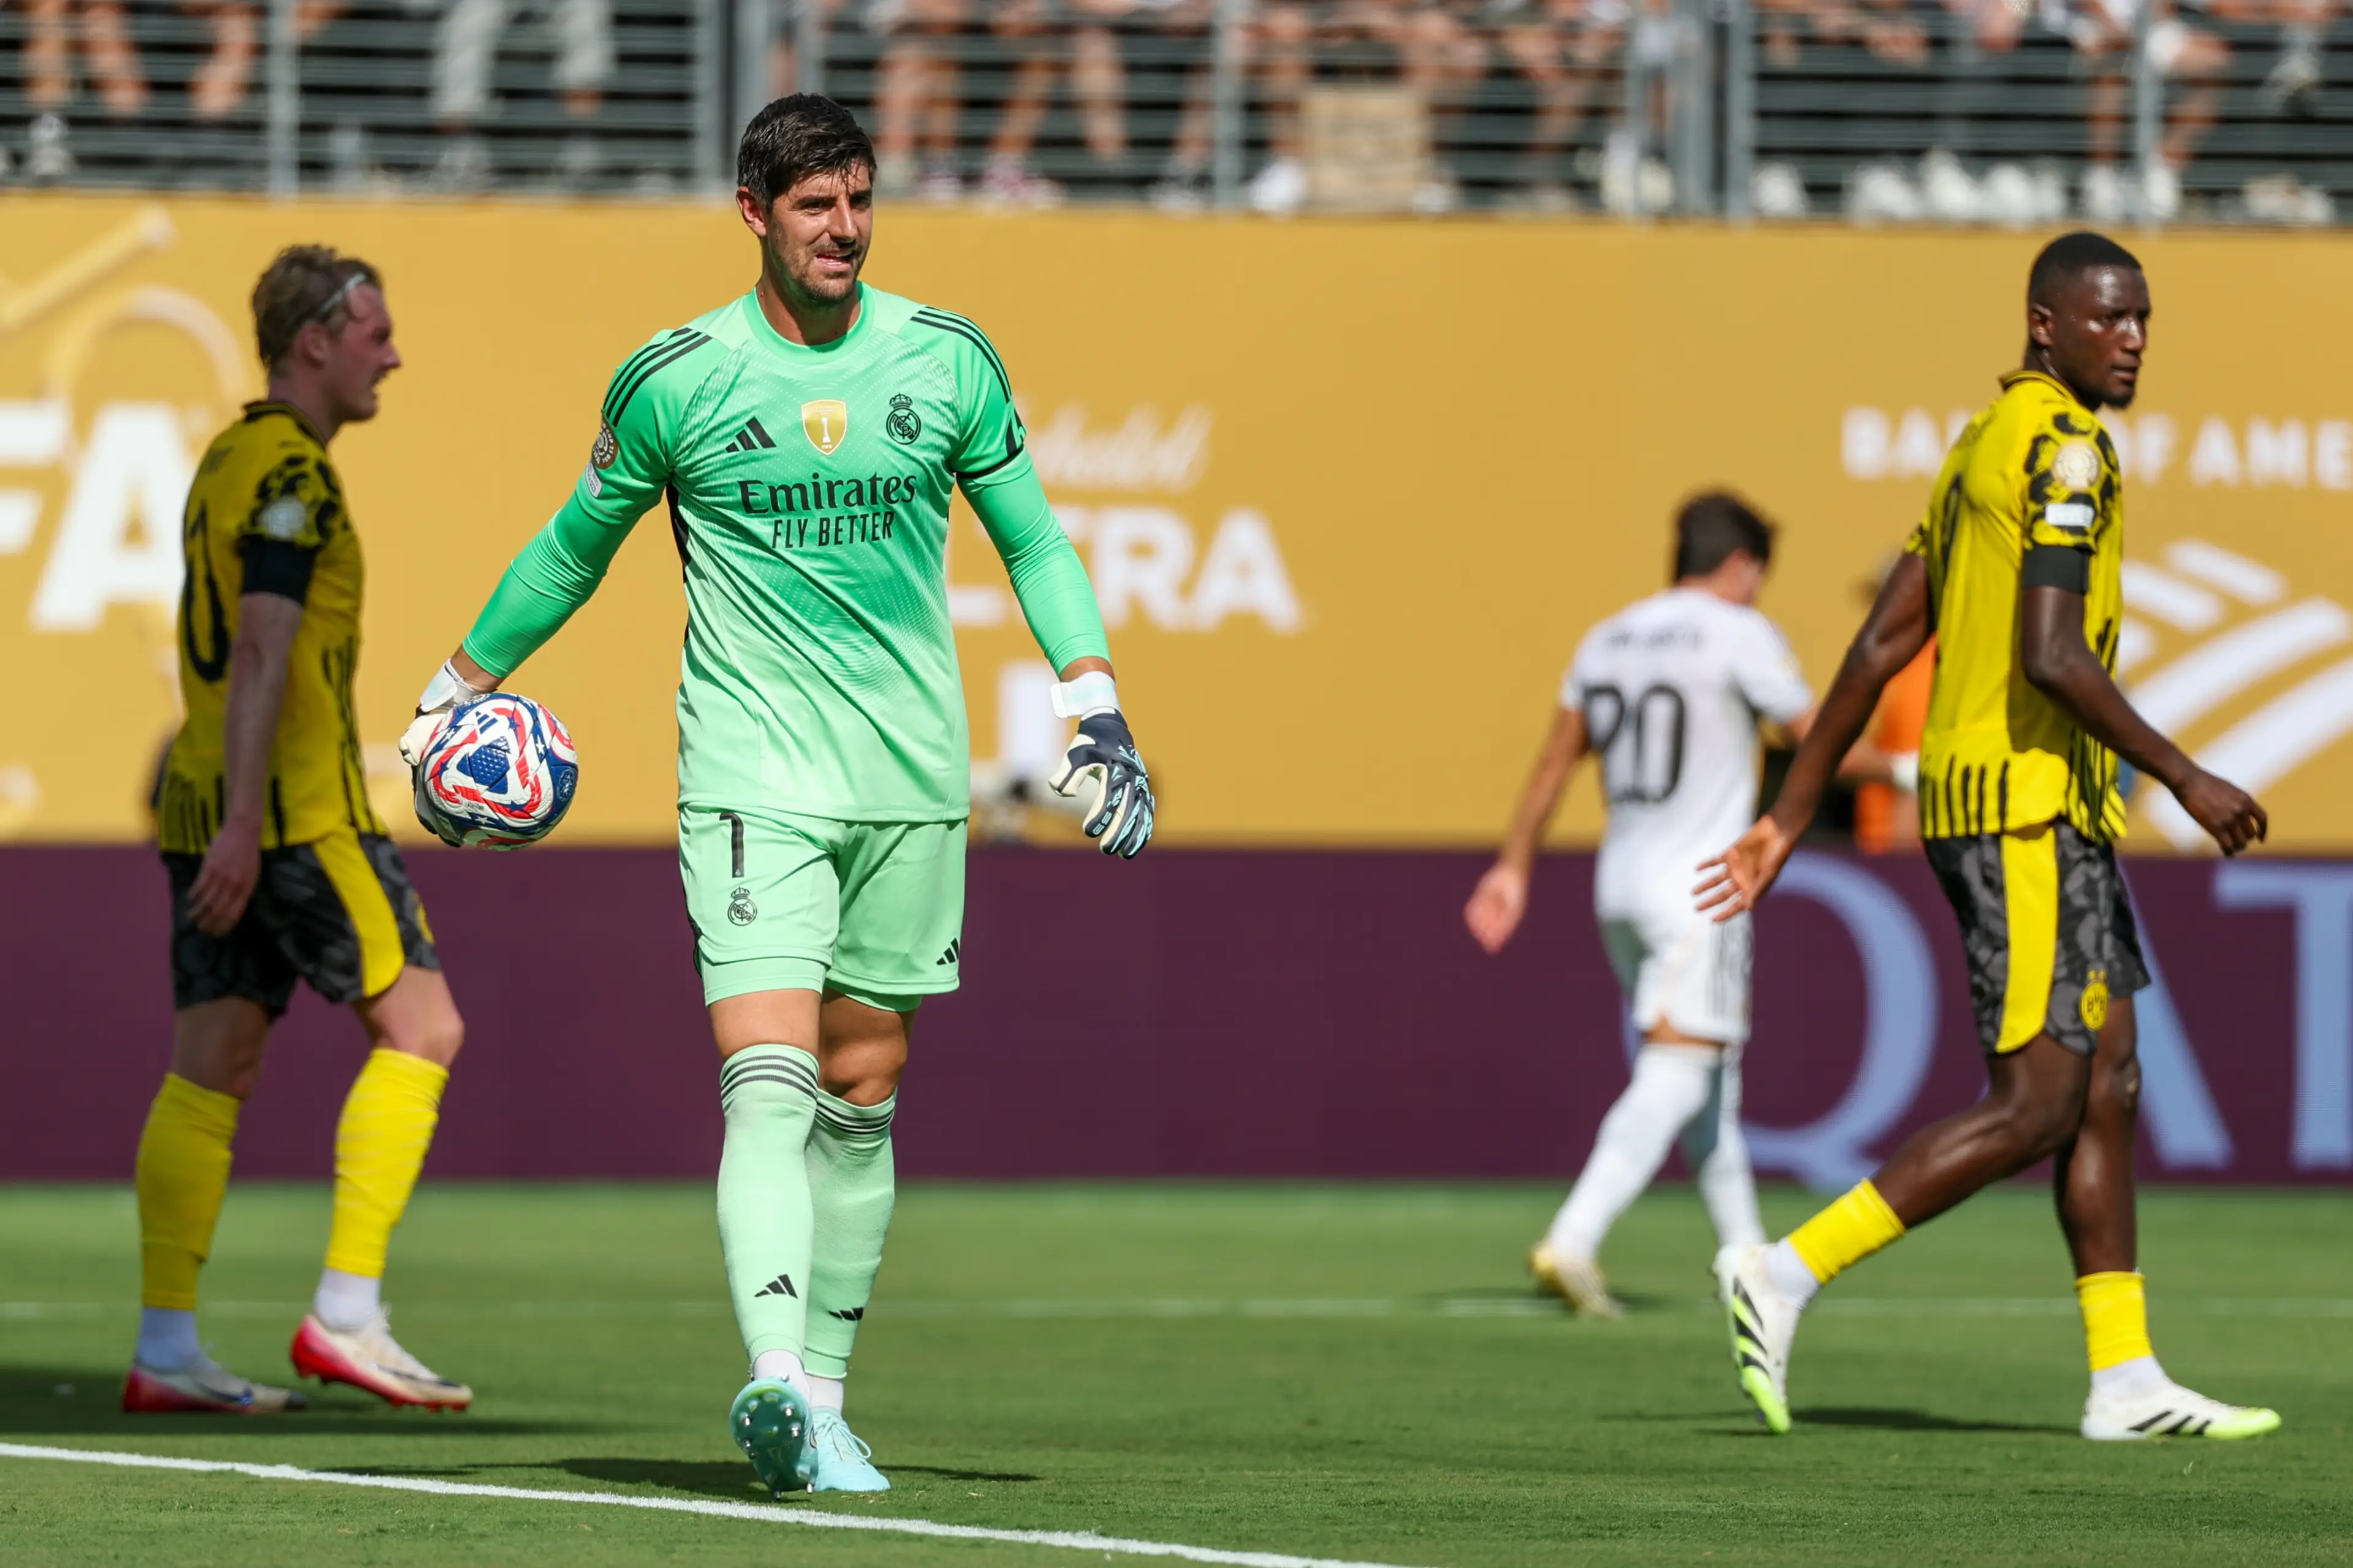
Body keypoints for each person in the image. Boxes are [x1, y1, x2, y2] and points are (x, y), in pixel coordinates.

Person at [399, 94, 1154, 1494]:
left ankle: (823, 1394)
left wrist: (1092, 703)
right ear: (754, 213)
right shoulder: (676, 379)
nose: (846, 228)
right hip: (753, 772)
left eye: (861, 199)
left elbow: (1038, 540)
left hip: (911, 779)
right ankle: (769, 1378)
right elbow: (574, 551)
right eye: (816, 205)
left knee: (864, 1089)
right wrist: (451, 690)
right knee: (768, 1080)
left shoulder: (948, 361)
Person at [1697, 231, 2281, 1443]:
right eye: (2108, 319)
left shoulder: (1980, 442)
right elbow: (2050, 653)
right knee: (2036, 1102)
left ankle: (2125, 1380)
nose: (2131, 340)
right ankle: (1784, 1270)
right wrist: (2184, 774)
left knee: (2108, 1081)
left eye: (2143, 320)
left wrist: (1786, 817)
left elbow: (1878, 642)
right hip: (2021, 806)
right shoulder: (2065, 450)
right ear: (2044, 325)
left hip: (2038, 807)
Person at [130, 247, 472, 1416]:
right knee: (423, 1028)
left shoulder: (226, 457)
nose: (395, 353)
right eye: (375, 331)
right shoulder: (294, 477)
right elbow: (267, 642)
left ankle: (166, 1345)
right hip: (291, 817)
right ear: (313, 340)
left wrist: (208, 813)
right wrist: (242, 823)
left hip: (212, 811)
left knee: (210, 1068)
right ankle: (348, 1314)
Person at [1466, 494, 1829, 1316]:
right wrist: (1913, 770)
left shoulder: (1609, 637)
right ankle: (1575, 1235)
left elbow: (1556, 762)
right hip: (1700, 882)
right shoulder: (1739, 634)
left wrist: (1513, 866)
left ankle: (1747, 1259)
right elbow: (1817, 735)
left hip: (1620, 881)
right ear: (1743, 565)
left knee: (1709, 1078)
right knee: (1682, 1065)